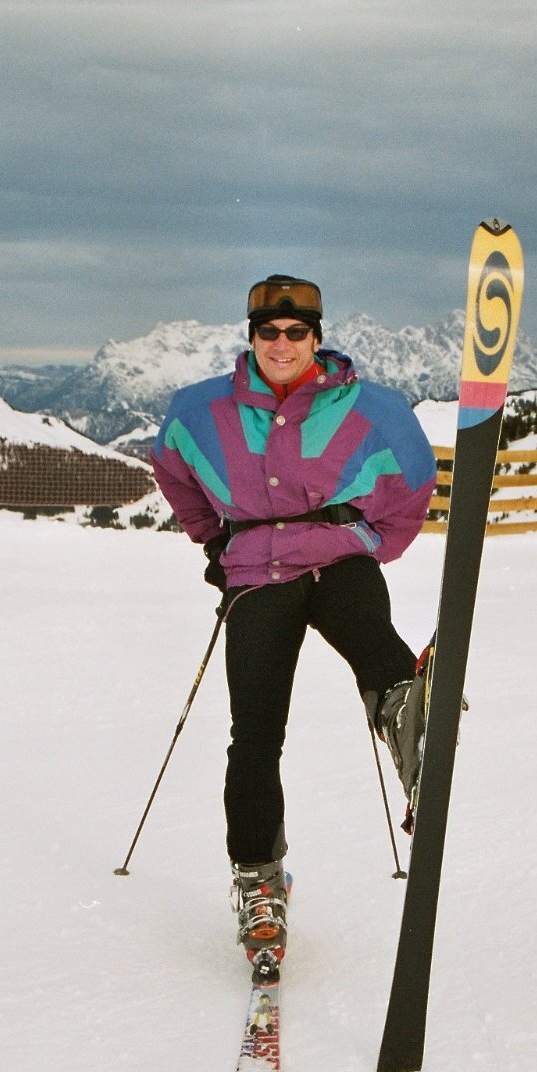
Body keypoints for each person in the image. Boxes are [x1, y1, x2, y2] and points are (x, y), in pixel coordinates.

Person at [151, 274, 436, 978]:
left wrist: (374, 543)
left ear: (317, 337)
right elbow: (173, 472)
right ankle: (259, 878)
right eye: (269, 332)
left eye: (296, 332)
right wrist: (215, 542)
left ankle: (411, 717)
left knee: (369, 633)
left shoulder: (372, 408)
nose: (282, 344)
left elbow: (413, 483)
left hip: (337, 558)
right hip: (257, 574)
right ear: (252, 337)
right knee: (254, 731)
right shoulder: (200, 411)